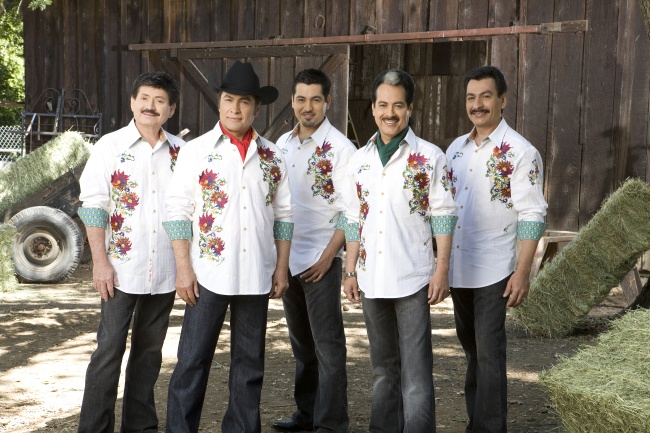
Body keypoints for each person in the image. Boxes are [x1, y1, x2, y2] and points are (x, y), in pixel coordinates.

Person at [163, 60, 293, 433]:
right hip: (207, 273)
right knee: (191, 361)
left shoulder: (273, 156)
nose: (235, 108)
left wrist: (281, 268)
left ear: (256, 108)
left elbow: (284, 216)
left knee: (249, 365)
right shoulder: (196, 151)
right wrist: (183, 269)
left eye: (244, 101)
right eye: (229, 99)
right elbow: (177, 212)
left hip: (256, 273)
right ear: (220, 102)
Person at [342, 69, 457, 433]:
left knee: (416, 374)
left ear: (410, 108)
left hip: (413, 278)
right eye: (382, 105)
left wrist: (441, 270)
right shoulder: (359, 160)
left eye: (398, 105)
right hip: (370, 278)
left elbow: (444, 216)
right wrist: (349, 270)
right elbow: (352, 219)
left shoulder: (430, 157)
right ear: (373, 108)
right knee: (382, 369)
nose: (389, 113)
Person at [77, 71, 185, 433]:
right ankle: (94, 428)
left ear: (170, 109)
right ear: (132, 102)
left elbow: (188, 211)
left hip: (166, 270)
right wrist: (100, 263)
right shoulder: (110, 146)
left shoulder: (182, 153)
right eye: (144, 98)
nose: (150, 106)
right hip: (120, 269)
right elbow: (94, 206)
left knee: (149, 353)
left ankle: (140, 427)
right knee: (108, 351)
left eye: (159, 101)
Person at [446, 65, 548, 433]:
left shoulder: (521, 152)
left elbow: (533, 213)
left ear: (502, 100)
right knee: (473, 350)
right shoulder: (455, 150)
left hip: (495, 269)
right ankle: (478, 422)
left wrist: (523, 273)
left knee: (488, 353)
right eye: (471, 97)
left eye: (486, 96)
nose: (477, 104)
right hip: (459, 268)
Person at [272, 69, 355, 433]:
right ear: (292, 101)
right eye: (301, 99)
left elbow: (352, 212)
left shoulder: (341, 149)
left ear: (327, 102)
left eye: (315, 99)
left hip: (322, 260)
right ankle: (307, 415)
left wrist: (328, 257)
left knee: (328, 347)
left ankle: (331, 423)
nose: (308, 107)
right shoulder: (282, 144)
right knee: (302, 346)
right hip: (288, 260)